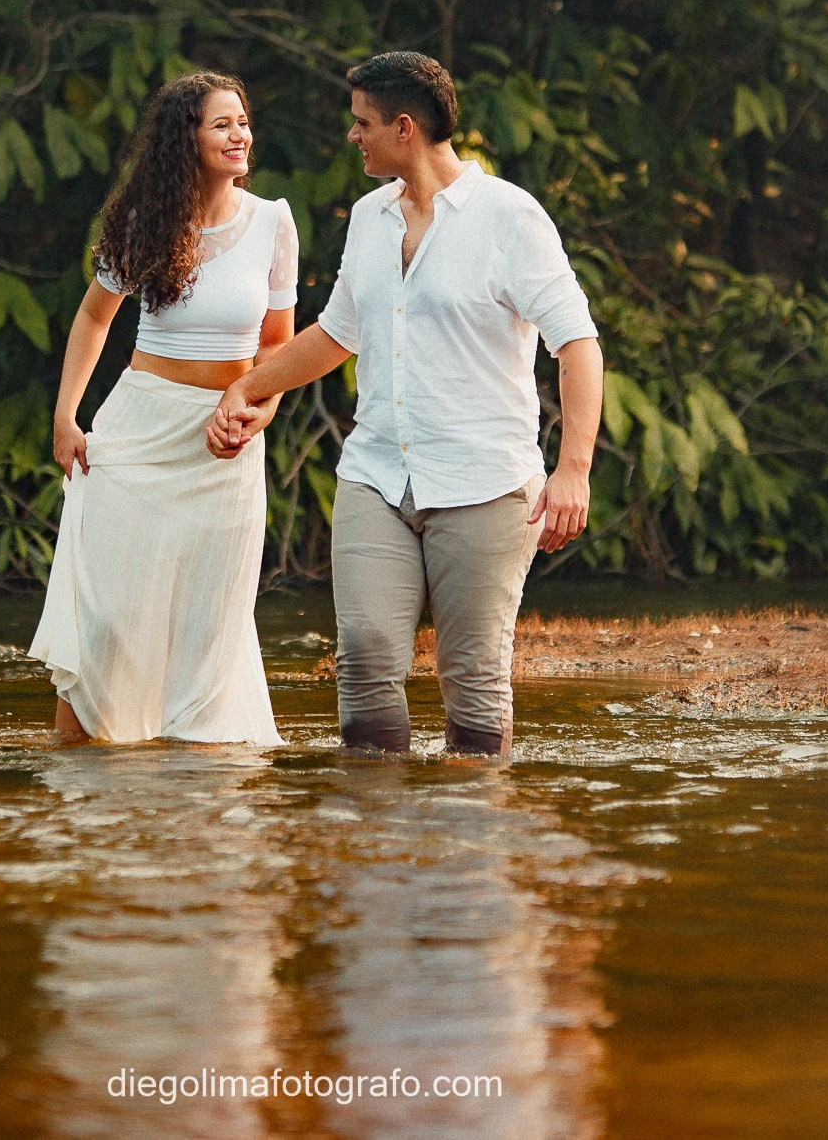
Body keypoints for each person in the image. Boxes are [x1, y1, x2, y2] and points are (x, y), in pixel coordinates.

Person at [208, 51, 601, 759]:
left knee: (473, 677)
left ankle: (472, 848)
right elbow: (337, 334)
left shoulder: (510, 217)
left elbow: (577, 343)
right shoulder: (370, 216)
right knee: (362, 659)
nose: (353, 136)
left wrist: (573, 468)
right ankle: (379, 845)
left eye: (362, 123)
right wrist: (249, 385)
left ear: (405, 128)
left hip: (485, 482)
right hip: (378, 474)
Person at [28, 72, 297, 745]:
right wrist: (67, 416)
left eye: (243, 121)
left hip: (226, 440)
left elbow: (277, 345)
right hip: (139, 431)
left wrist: (260, 409)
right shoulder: (147, 222)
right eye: (221, 124)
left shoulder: (273, 221)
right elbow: (93, 320)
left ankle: (196, 796)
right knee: (111, 619)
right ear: (188, 138)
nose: (240, 135)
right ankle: (83, 778)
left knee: (210, 626)